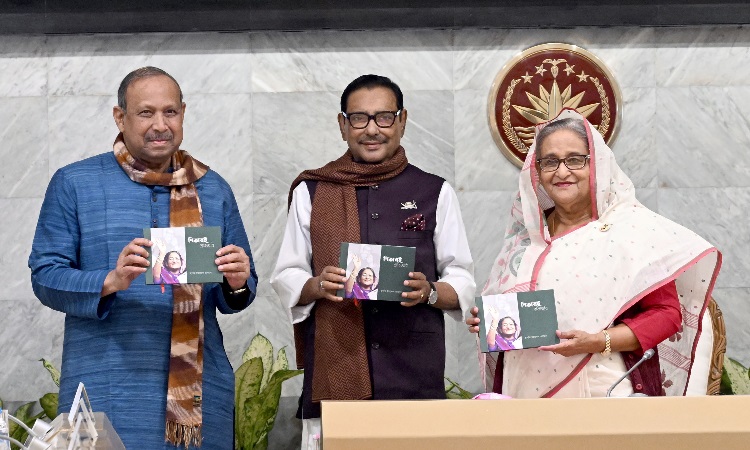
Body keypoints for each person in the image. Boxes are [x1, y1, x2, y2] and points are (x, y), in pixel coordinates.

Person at [28, 66, 258, 449]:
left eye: (170, 112)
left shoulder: (212, 188)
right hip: (106, 387)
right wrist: (110, 281)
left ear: (183, 113)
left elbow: (238, 292)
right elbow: (45, 275)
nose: (160, 125)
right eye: (145, 112)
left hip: (199, 397)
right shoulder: (75, 182)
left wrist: (236, 282)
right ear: (120, 117)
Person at [271, 74, 475, 448]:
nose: (372, 130)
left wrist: (429, 292)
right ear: (342, 124)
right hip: (335, 373)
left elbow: (460, 274)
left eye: (383, 117)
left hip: (413, 373)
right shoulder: (313, 191)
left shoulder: (434, 191)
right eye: (359, 118)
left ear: (402, 121)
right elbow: (287, 272)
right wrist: (317, 285)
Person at [467, 109, 721, 399]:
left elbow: (666, 316)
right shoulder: (528, 238)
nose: (562, 172)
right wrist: (489, 321)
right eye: (550, 161)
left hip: (600, 387)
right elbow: (516, 320)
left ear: (597, 165)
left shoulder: (630, 230)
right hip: (524, 388)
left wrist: (599, 340)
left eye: (575, 159)